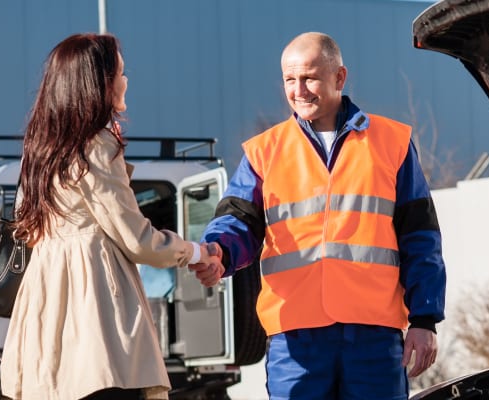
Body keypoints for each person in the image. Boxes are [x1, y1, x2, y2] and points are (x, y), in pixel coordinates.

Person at [189, 31, 447, 399]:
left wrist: (424, 319)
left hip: (373, 335)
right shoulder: (265, 151)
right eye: (289, 80)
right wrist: (219, 251)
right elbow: (238, 219)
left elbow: (421, 236)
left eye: (309, 77)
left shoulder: (392, 143)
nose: (299, 90)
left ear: (339, 77)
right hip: (296, 338)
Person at [1, 33, 210, 400]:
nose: (125, 81)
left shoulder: (39, 150)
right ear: (97, 83)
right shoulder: (95, 145)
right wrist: (194, 251)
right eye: (120, 73)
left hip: (44, 318)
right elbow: (137, 239)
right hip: (96, 318)